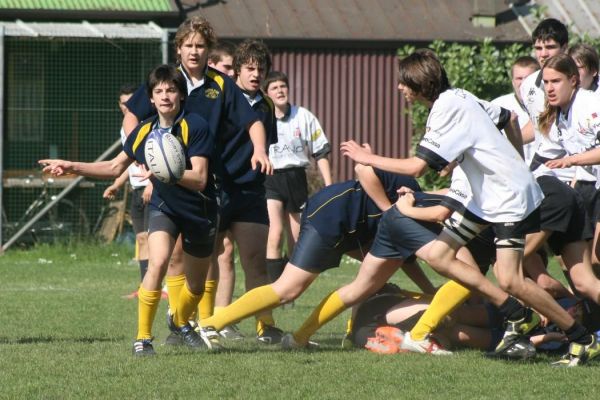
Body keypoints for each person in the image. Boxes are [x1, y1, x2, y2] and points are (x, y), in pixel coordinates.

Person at [341, 49, 598, 367]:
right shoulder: (459, 96)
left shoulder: (445, 109)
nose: (400, 88)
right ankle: (514, 312)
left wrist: (369, 158)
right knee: (438, 255)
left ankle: (580, 337)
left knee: (511, 279)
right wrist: (514, 161)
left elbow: (417, 167)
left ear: (420, 83)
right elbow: (510, 119)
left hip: (507, 200)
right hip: (486, 198)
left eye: (404, 83)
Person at [40, 65, 219, 356]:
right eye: (158, 91)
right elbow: (113, 167)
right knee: (157, 262)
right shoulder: (144, 131)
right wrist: (73, 166)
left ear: (181, 96)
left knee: (196, 287)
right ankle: (143, 339)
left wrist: (166, 173)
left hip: (200, 209)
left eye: (171, 90)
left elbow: (199, 179)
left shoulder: (195, 125)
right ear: (150, 98)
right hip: (165, 206)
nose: (165, 96)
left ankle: (178, 320)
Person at [123, 16, 272, 346]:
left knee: (201, 261)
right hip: (169, 181)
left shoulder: (220, 85)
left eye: (200, 46)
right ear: (178, 48)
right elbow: (133, 113)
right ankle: (180, 324)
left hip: (202, 180)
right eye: (188, 45)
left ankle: (197, 323)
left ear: (209, 50)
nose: (194, 51)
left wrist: (260, 149)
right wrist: (144, 155)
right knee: (171, 258)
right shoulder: (169, 80)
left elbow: (251, 121)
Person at [197, 165, 435, 341]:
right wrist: (388, 209)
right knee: (288, 290)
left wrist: (432, 293)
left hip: (351, 230)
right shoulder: (409, 188)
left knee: (370, 283)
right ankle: (211, 324)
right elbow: (363, 168)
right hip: (331, 216)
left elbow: (405, 258)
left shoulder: (419, 216)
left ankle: (330, 336)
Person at [208, 39, 282, 343]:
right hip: (216, 187)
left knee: (254, 259)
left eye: (260, 69)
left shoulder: (265, 105)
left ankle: (265, 326)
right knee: (215, 257)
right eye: (249, 68)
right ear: (237, 69)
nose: (255, 74)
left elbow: (265, 145)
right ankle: (211, 322)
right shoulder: (218, 96)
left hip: (250, 190)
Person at [263, 71, 333, 283]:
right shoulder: (261, 119)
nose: (280, 90)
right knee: (275, 232)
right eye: (274, 88)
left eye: (282, 86)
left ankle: (289, 288)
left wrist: (329, 184)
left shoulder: (302, 116)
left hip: (296, 179)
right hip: (271, 177)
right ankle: (273, 288)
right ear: (267, 94)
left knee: (296, 239)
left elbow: (320, 151)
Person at [103, 84, 152, 299]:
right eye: (123, 103)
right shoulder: (125, 129)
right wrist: (117, 183)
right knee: (142, 239)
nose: (127, 106)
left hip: (151, 188)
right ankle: (144, 287)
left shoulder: (148, 125)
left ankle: (164, 287)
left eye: (130, 102)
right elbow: (127, 163)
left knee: (157, 241)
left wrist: (152, 184)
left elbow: (159, 162)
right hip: (136, 189)